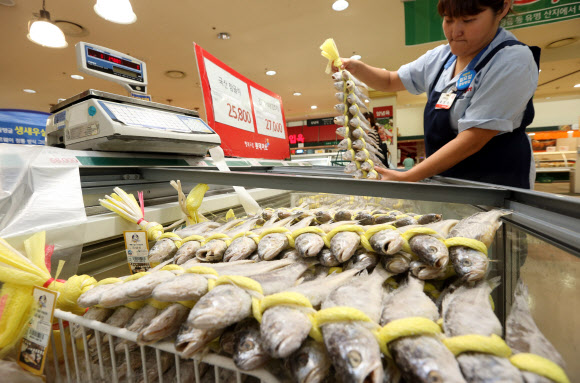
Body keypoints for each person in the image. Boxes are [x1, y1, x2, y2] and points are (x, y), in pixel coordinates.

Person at [334, 0, 539, 189]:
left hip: (494, 186)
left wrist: (409, 176)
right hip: (448, 184)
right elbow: (390, 80)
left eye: (468, 20)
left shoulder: (512, 60)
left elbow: (474, 137)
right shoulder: (441, 58)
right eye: (448, 20)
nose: (455, 31)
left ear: (502, 8)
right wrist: (356, 68)